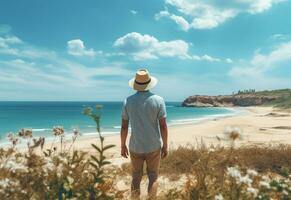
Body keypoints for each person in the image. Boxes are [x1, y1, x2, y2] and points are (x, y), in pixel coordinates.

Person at [120, 69, 168, 198]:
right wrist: (165, 145)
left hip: (135, 146)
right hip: (153, 145)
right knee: (153, 177)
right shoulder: (158, 100)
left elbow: (124, 127)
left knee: (136, 178)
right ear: (149, 83)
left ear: (136, 84)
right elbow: (163, 126)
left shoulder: (127, 101)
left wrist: (122, 145)